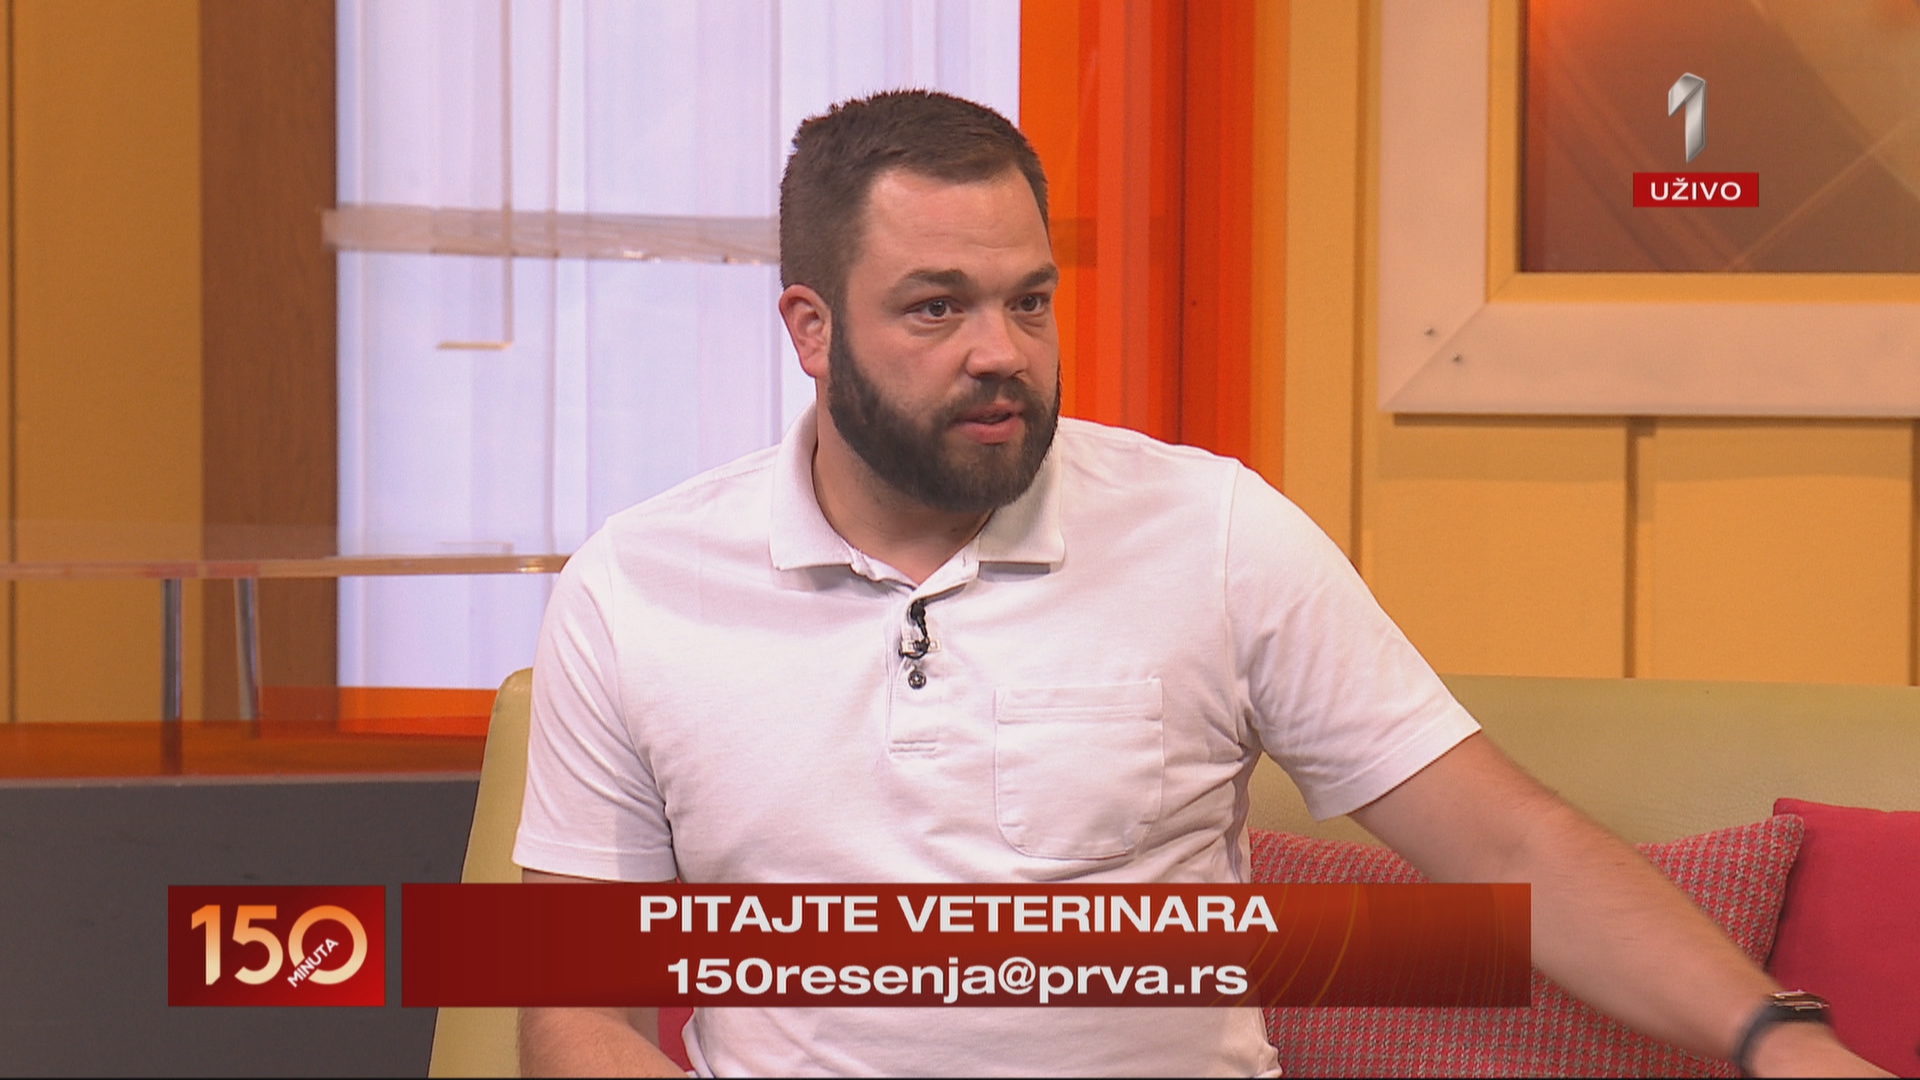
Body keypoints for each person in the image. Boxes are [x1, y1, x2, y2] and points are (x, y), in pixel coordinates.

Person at [513, 90, 1881, 1077]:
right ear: (811, 330)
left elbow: (1504, 846)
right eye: (937, 307)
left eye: (1030, 300)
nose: (1003, 352)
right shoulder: (638, 589)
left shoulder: (1213, 532)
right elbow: (573, 1009)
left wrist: (1778, 1039)